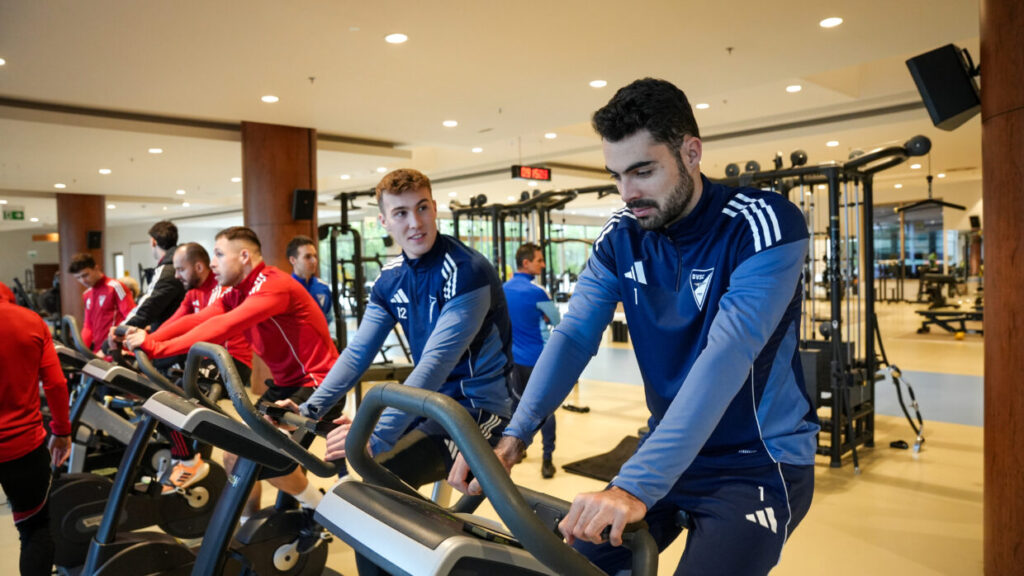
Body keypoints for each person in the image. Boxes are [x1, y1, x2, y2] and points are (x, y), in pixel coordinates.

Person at [450, 78, 818, 575]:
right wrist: (513, 437)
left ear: (691, 152)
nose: (628, 193)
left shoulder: (762, 224)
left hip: (756, 460)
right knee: (572, 568)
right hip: (666, 446)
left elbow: (727, 355)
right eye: (617, 176)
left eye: (643, 171)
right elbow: (574, 335)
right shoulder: (620, 236)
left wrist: (633, 486)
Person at [285, 168, 514, 494]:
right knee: (360, 480)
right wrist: (308, 409)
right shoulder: (390, 279)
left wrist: (376, 436)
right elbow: (357, 354)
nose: (415, 223)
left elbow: (435, 363)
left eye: (422, 208)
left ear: (434, 208)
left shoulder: (467, 271)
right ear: (384, 221)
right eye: (401, 213)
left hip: (476, 410)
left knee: (379, 475)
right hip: (428, 403)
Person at [123, 227, 339, 533]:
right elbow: (200, 318)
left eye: (219, 254)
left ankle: (322, 510)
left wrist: (157, 349)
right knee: (236, 456)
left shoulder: (273, 285)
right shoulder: (239, 291)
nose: (213, 263)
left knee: (254, 456)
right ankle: (249, 529)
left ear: (244, 256)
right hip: (285, 385)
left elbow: (224, 325)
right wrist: (150, 338)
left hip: (318, 384)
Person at [148, 242, 255, 491]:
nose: (177, 276)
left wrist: (155, 346)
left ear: (198, 267)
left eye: (180, 269)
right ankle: (187, 459)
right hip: (206, 359)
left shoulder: (221, 290)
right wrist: (148, 339)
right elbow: (177, 321)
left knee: (177, 400)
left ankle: (187, 461)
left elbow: (201, 324)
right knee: (162, 398)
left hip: (230, 361)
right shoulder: (192, 293)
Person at [0, 281, 72, 576]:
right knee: (34, 530)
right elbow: (55, 384)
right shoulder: (30, 321)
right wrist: (62, 431)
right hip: (23, 449)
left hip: (23, 447)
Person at [503, 243, 561, 478]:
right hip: (538, 360)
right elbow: (556, 320)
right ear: (525, 263)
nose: (543, 265)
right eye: (539, 260)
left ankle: (518, 449)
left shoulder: (503, 288)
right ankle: (547, 459)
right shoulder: (537, 291)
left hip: (513, 360)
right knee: (544, 409)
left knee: (517, 406)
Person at [113, 220, 185, 343]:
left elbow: (146, 309)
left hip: (169, 341)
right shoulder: (176, 266)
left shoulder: (167, 270)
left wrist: (118, 331)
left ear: (153, 242)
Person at [67, 253, 135, 353]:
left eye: (85, 275)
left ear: (96, 268)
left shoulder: (115, 287)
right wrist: (81, 351)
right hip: (99, 351)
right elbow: (88, 327)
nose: (83, 280)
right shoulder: (87, 294)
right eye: (78, 277)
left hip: (119, 350)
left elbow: (132, 317)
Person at [287, 235, 333, 324]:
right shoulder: (285, 289)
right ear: (293, 260)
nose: (314, 261)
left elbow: (328, 320)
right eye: (307, 257)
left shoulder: (323, 287)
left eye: (315, 256)